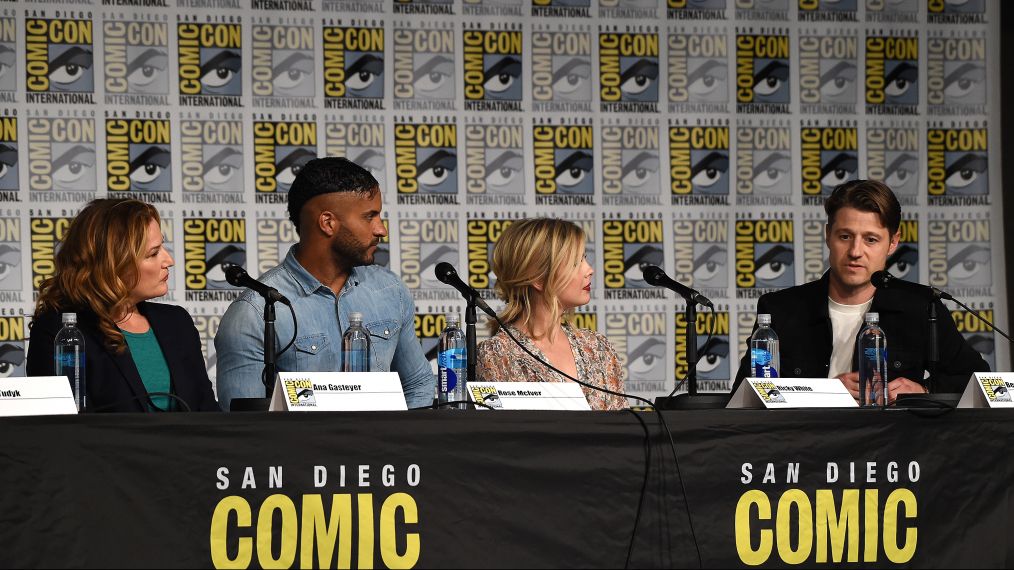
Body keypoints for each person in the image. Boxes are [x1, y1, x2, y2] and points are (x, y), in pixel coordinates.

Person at [732, 180, 989, 402]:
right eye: (845, 236)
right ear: (827, 235)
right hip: (804, 449)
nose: (856, 251)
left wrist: (924, 390)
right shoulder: (780, 309)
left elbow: (977, 381)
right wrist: (826, 392)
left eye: (871, 239)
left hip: (893, 450)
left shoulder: (922, 306)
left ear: (893, 242)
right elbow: (744, 396)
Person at [215, 157, 434, 410]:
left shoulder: (390, 290)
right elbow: (245, 426)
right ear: (328, 223)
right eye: (369, 217)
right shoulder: (252, 314)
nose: (381, 229)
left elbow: (418, 384)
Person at [26, 199, 220, 412]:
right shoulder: (60, 332)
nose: (169, 260)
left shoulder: (177, 322)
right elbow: (65, 430)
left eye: (163, 247)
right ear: (113, 264)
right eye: (153, 253)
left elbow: (207, 413)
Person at [476, 218, 627, 410]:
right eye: (575, 262)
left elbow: (625, 430)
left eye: (585, 258)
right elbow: (508, 435)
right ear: (538, 278)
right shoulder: (497, 354)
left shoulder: (598, 348)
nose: (589, 269)